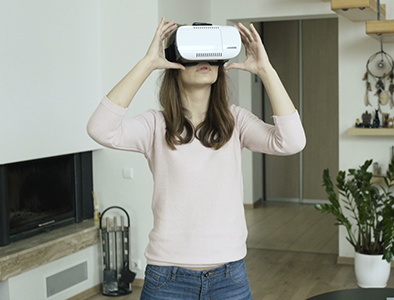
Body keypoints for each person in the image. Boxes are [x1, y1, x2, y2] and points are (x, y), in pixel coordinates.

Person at [87, 18, 306, 300]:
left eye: (211, 53)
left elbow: (292, 141)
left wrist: (265, 70)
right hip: (167, 279)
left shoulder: (235, 121)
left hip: (230, 277)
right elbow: (99, 129)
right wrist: (147, 63)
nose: (206, 59)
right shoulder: (156, 126)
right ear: (175, 62)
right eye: (195, 50)